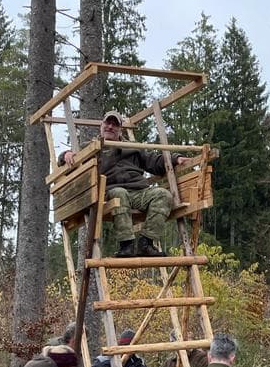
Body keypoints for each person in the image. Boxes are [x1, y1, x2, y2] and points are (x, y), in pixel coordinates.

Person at [61, 109, 190, 257]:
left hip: (138, 191)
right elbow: (70, 158)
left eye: (115, 124)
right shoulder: (91, 147)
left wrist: (176, 159)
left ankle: (146, 243)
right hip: (111, 190)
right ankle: (126, 245)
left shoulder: (133, 147)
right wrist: (66, 155)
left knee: (163, 195)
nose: (110, 127)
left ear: (120, 129)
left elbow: (154, 161)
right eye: (107, 123)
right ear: (101, 125)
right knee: (119, 194)